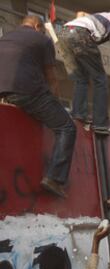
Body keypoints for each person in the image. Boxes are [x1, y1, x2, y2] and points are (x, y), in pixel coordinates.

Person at [0, 15, 76, 198]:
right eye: (42, 28)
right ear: (37, 26)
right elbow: (51, 76)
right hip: (28, 91)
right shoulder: (43, 39)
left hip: (4, 92)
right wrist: (57, 103)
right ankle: (55, 179)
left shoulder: (5, 38)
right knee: (67, 127)